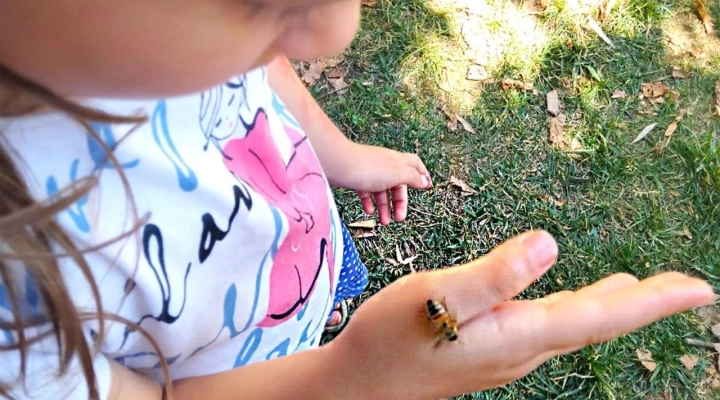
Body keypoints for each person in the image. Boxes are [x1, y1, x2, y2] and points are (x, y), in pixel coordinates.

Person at [0, 1, 713, 399]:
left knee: (335, 292)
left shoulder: (164, 35)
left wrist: (340, 155)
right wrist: (358, 375)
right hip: (239, 379)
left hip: (305, 247)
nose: (339, 32)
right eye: (263, 2)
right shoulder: (15, 316)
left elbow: (263, 70)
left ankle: (326, 314)